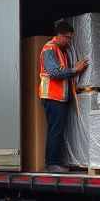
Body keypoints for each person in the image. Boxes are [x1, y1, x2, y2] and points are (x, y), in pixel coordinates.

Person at [39, 21, 88, 173]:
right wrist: (75, 70)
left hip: (60, 98)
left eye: (71, 38)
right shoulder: (49, 49)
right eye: (67, 38)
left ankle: (56, 162)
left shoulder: (62, 51)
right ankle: (52, 163)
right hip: (52, 97)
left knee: (58, 130)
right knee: (55, 130)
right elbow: (54, 73)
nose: (69, 41)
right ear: (59, 35)